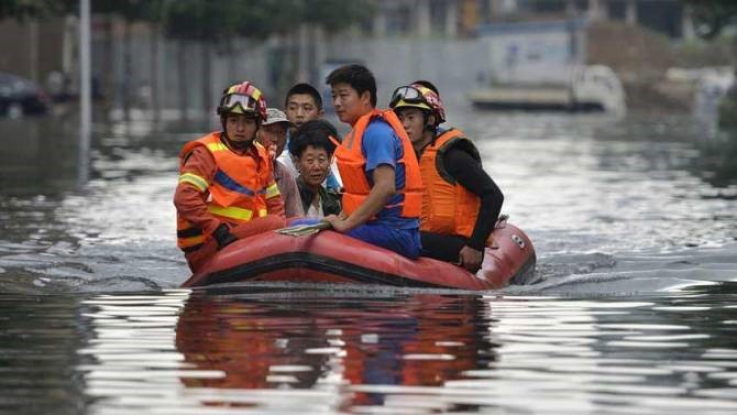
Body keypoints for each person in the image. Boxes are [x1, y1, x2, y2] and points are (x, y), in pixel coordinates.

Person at [389, 81, 504, 273]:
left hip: (460, 244)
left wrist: (475, 247)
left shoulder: (452, 156)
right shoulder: (406, 158)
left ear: (430, 121)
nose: (404, 125)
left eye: (411, 117)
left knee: (395, 237)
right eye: (400, 118)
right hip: (425, 236)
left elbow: (493, 195)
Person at [174, 81, 286, 272]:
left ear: (258, 125)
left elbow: (274, 203)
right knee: (275, 224)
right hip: (210, 245)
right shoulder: (206, 154)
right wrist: (217, 230)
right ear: (224, 121)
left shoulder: (260, 153)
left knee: (289, 223)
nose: (240, 129)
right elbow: (184, 198)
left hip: (242, 238)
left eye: (247, 122)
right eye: (234, 121)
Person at [324, 64, 423, 259]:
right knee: (302, 225)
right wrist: (341, 218)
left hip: (396, 232)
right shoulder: (359, 132)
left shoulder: (377, 133)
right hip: (377, 226)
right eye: (333, 96)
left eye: (343, 96)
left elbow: (385, 187)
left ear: (366, 97)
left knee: (314, 234)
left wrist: (345, 225)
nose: (336, 103)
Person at [280, 82, 342, 190]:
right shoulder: (278, 151)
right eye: (293, 108)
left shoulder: (332, 149)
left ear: (320, 115)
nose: (299, 114)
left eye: (307, 108)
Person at [288, 120, 342, 218]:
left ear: (330, 159)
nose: (316, 167)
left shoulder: (332, 200)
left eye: (321, 160)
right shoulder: (290, 196)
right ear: (297, 161)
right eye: (310, 160)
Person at [256, 108, 304, 218]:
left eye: (281, 133)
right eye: (269, 131)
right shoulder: (241, 165)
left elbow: (296, 221)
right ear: (255, 132)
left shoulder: (284, 175)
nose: (275, 138)